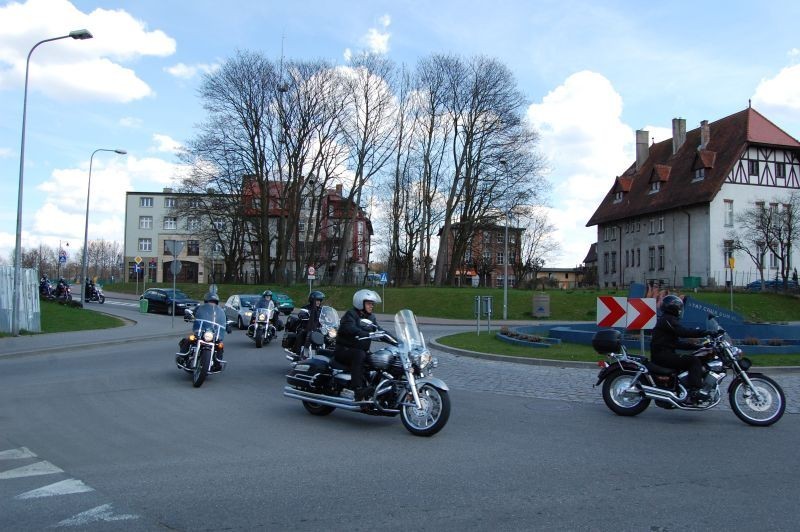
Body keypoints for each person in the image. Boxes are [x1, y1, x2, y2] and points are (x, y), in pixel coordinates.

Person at [650, 294, 715, 403]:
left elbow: (676, 343)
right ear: (673, 308)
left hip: (664, 353)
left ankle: (689, 387)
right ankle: (695, 391)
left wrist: (698, 347)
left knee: (693, 357)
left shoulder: (668, 320)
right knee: (693, 361)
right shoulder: (668, 319)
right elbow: (683, 332)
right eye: (679, 307)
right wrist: (705, 332)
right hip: (662, 355)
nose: (680, 310)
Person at [335, 289, 381, 401]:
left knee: (378, 359)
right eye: (369, 304)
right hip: (344, 350)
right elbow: (349, 328)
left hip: (361, 350)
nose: (372, 306)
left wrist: (396, 341)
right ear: (360, 303)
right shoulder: (350, 315)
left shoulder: (371, 317)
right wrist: (363, 332)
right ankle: (358, 389)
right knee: (359, 355)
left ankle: (374, 388)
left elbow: (379, 330)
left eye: (372, 304)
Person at [179, 292, 227, 366]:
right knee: (189, 338)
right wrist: (189, 316)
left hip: (213, 334)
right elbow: (193, 314)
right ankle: (182, 357)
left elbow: (224, 319)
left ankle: (217, 363)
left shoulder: (220, 312)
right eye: (210, 301)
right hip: (201, 331)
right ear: (206, 302)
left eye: (214, 302)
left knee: (220, 345)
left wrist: (228, 325)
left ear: (216, 303)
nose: (212, 303)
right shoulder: (200, 308)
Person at [293, 290, 326, 355]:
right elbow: (301, 314)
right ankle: (297, 353)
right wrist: (304, 316)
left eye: (319, 301)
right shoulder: (306, 308)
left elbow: (327, 317)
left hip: (319, 329)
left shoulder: (321, 309)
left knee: (330, 337)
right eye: (317, 300)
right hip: (307, 328)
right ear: (312, 300)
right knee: (301, 334)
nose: (318, 302)